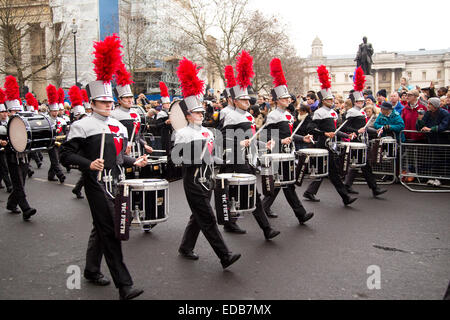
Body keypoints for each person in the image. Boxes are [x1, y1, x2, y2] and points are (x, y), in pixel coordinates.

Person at [60, 34, 146, 300]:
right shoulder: (82, 125)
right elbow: (65, 155)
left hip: (116, 183)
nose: (109, 105)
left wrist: (134, 161)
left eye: (111, 102)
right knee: (110, 230)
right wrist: (89, 163)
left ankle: (90, 269)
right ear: (92, 103)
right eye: (104, 102)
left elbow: (117, 159)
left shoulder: (118, 126)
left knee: (103, 227)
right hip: (96, 184)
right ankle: (124, 285)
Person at [173, 57, 241, 268]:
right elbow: (176, 159)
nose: (201, 114)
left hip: (208, 179)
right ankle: (224, 255)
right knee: (208, 217)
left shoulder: (208, 131)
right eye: (196, 112)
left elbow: (213, 156)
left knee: (198, 216)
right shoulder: (182, 133)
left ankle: (185, 247)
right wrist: (198, 154)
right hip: (193, 180)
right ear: (187, 114)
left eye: (202, 112)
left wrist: (225, 157)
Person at [220, 51, 280, 239]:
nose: (248, 102)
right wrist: (240, 142)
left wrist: (264, 144)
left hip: (246, 156)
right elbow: (223, 138)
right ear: (235, 100)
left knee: (236, 191)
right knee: (251, 192)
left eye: (248, 99)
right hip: (234, 158)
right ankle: (266, 229)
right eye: (244, 100)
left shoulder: (247, 115)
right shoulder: (230, 115)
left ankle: (230, 222)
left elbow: (251, 137)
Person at [261, 58, 314, 224]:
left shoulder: (289, 115)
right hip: (277, 153)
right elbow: (266, 135)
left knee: (282, 183)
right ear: (276, 100)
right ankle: (300, 214)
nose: (287, 100)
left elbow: (289, 134)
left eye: (287, 98)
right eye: (283, 98)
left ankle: (263, 208)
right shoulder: (273, 115)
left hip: (287, 151)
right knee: (286, 183)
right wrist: (279, 140)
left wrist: (301, 138)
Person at [303, 65, 357, 206]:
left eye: (332, 99)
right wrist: (324, 133)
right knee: (331, 172)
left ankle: (310, 192)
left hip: (331, 144)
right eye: (329, 100)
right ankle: (345, 197)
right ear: (322, 101)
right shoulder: (319, 112)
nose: (332, 102)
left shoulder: (333, 113)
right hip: (322, 144)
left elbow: (335, 129)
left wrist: (346, 133)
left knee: (326, 171)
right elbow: (311, 128)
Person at [342, 69, 387, 197]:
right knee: (364, 165)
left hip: (362, 141)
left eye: (362, 101)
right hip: (356, 142)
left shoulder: (361, 112)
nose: (361, 103)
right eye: (359, 102)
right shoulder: (351, 112)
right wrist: (357, 131)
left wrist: (375, 130)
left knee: (360, 165)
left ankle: (348, 185)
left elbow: (365, 128)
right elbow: (345, 128)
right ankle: (374, 189)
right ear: (354, 102)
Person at [111, 61, 153, 179]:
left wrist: (145, 145)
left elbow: (138, 135)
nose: (130, 100)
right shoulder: (113, 115)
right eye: (126, 98)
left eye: (130, 97)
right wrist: (122, 146)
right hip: (121, 151)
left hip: (136, 150)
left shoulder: (136, 114)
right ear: (119, 100)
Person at [3, 75, 37, 220]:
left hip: (23, 154)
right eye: (11, 112)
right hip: (11, 156)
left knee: (21, 181)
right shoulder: (4, 125)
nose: (13, 114)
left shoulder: (22, 122)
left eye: (17, 112)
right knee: (17, 182)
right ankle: (26, 209)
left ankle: (11, 203)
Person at [46, 85, 66, 184]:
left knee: (56, 159)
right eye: (53, 111)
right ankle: (60, 175)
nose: (55, 112)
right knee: (55, 160)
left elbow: (64, 131)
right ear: (50, 111)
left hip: (59, 142)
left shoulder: (61, 120)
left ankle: (50, 175)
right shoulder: (46, 121)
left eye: (56, 111)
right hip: (51, 142)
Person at [0, 90, 12, 193]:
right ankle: (9, 186)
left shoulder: (9, 121)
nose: (4, 114)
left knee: (4, 166)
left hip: (7, 146)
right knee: (4, 167)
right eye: (2, 112)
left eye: (5, 112)